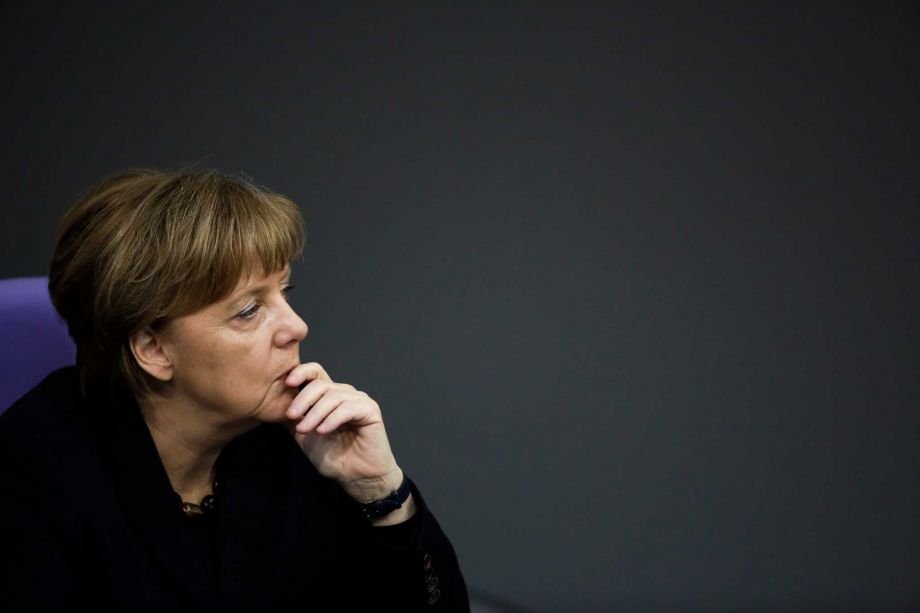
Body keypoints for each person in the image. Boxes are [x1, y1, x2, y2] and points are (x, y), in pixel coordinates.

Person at [0, 168, 469, 611]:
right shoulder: (29, 474)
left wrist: (380, 493)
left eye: (285, 292)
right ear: (154, 348)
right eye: (248, 310)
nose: (297, 327)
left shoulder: (290, 441)